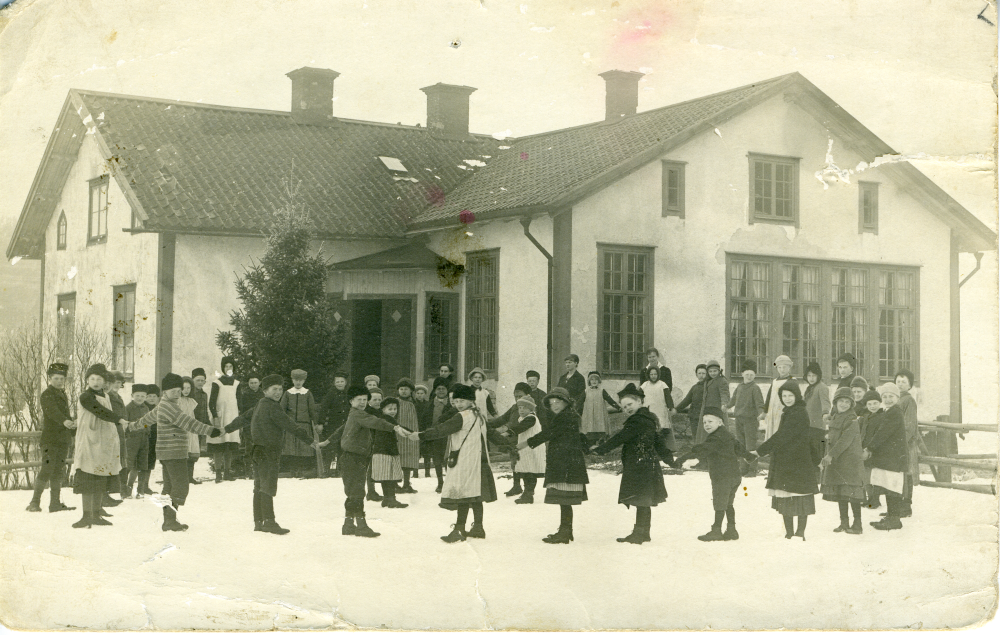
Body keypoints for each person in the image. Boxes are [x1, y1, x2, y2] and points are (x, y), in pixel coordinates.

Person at [126, 373, 224, 531]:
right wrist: (210, 430)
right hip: (173, 451)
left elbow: (148, 418)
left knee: (169, 486)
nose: (177, 394)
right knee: (180, 486)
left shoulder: (164, 404)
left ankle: (169, 520)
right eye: (174, 391)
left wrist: (132, 426)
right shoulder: (169, 407)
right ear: (165, 391)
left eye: (179, 391)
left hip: (168, 452)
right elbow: (187, 422)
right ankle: (170, 520)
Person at [416, 384, 512, 543]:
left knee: (464, 495)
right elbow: (492, 434)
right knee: (476, 495)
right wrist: (508, 445)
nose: (458, 404)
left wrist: (421, 435)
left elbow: (442, 429)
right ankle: (478, 527)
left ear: (471, 401)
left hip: (466, 462)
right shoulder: (478, 415)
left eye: (462, 401)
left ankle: (459, 529)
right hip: (480, 461)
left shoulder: (461, 416)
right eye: (456, 401)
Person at [235, 373, 320, 534]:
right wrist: (310, 441)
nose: (278, 392)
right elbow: (290, 425)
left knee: (259, 486)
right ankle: (269, 521)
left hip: (257, 450)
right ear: (265, 391)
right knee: (267, 486)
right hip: (268, 451)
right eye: (274, 389)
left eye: (280, 389)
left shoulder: (261, 403)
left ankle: (259, 521)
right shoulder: (273, 406)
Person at [319, 385, 407, 538]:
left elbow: (342, 429)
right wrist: (394, 427)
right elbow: (375, 422)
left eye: (365, 400)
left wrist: (328, 440)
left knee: (353, 492)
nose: (362, 402)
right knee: (357, 492)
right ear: (351, 401)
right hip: (352, 457)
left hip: (356, 457)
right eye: (358, 400)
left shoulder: (356, 414)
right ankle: (361, 525)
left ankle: (348, 524)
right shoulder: (359, 415)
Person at [590, 383, 669, 544]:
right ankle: (643, 532)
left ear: (640, 401)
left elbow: (621, 437)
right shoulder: (648, 418)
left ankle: (639, 533)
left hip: (640, 464)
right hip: (647, 463)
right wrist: (669, 458)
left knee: (641, 499)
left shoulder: (638, 420)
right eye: (624, 407)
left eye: (630, 404)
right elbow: (658, 442)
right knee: (643, 500)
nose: (627, 409)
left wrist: (601, 449)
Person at [752, 380, 823, 541]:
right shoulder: (789, 411)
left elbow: (782, 435)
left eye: (790, 395)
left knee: (799, 496)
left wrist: (760, 450)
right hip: (788, 460)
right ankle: (790, 533)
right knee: (787, 497)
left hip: (797, 462)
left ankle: (799, 532)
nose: (787, 398)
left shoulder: (798, 412)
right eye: (784, 395)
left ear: (797, 396)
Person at [518, 387, 589, 544]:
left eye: (558, 402)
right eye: (551, 403)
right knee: (564, 499)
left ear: (566, 402)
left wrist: (526, 443)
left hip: (566, 463)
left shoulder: (566, 417)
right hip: (566, 462)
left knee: (564, 498)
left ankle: (565, 532)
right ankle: (566, 530)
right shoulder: (568, 416)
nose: (554, 405)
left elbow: (549, 433)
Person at [678, 406, 754, 542]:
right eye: (704, 422)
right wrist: (748, 456)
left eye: (710, 421)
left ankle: (716, 530)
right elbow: (738, 447)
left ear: (720, 422)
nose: (706, 425)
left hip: (722, 476)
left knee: (720, 502)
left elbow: (703, 449)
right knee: (728, 503)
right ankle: (732, 530)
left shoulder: (715, 438)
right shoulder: (727, 435)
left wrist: (682, 459)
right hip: (734, 476)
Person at [71, 364, 131, 528]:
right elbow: (99, 411)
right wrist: (118, 419)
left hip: (103, 441)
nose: (95, 382)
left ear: (104, 381)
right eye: (92, 379)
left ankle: (96, 513)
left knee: (100, 476)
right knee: (88, 476)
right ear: (87, 380)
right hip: (89, 441)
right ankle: (86, 515)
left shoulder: (105, 395)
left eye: (99, 379)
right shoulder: (86, 397)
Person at [26, 362, 76, 513]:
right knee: (47, 469)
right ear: (50, 378)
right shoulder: (46, 394)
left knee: (58, 471)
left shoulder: (63, 394)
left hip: (62, 440)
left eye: (62, 379)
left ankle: (55, 504)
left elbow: (66, 415)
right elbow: (52, 411)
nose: (59, 381)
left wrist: (72, 429)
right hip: (50, 440)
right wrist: (65, 421)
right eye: (56, 378)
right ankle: (34, 503)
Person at [820, 387, 865, 535]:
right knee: (841, 493)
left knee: (853, 493)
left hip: (849, 462)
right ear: (835, 402)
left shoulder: (851, 418)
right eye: (841, 401)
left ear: (851, 404)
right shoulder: (835, 417)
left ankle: (857, 525)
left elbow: (845, 440)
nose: (844, 404)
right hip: (838, 462)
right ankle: (844, 523)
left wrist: (831, 455)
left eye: (847, 402)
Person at [866, 383, 908, 531]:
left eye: (891, 396)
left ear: (897, 397)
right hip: (889, 457)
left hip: (894, 458)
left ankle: (894, 520)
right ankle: (891, 516)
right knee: (889, 486)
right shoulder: (889, 411)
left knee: (892, 487)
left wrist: (870, 447)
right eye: (885, 396)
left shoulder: (895, 412)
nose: (888, 399)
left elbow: (883, 432)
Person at [488, 383, 531, 497]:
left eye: (520, 396)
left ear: (527, 395)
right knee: (515, 463)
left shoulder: (530, 409)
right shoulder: (514, 408)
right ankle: (516, 486)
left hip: (525, 441)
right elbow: (501, 419)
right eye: (515, 396)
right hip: (513, 440)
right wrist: (486, 424)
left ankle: (528, 491)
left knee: (526, 466)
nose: (517, 399)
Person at [895, 370, 927, 518]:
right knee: (898, 474)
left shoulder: (908, 401)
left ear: (909, 386)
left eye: (904, 382)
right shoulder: (895, 399)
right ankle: (897, 505)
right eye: (898, 381)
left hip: (905, 444)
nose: (900, 384)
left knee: (906, 474)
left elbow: (909, 425)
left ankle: (906, 506)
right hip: (896, 443)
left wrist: (901, 442)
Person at [727, 360, 765, 476]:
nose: (749, 377)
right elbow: (733, 400)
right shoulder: (739, 387)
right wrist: (726, 406)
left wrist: (761, 413)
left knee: (750, 445)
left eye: (752, 375)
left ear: (755, 376)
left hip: (750, 420)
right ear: (742, 374)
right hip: (739, 419)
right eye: (747, 374)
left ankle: (752, 469)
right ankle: (743, 468)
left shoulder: (755, 388)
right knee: (741, 445)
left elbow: (760, 403)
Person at [279, 369, 318, 478]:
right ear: (292, 380)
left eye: (300, 380)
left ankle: (302, 469)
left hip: (304, 424)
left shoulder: (307, 393)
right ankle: (292, 469)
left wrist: (315, 423)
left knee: (303, 447)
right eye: (296, 380)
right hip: (291, 425)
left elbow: (312, 409)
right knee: (291, 448)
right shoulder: (287, 393)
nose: (298, 382)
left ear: (304, 380)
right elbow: (282, 409)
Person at [508, 394, 546, 504]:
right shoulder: (523, 418)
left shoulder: (531, 418)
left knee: (530, 471)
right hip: (526, 449)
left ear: (530, 409)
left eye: (524, 407)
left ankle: (529, 494)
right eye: (519, 407)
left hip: (533, 449)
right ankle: (527, 492)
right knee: (525, 470)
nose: (521, 410)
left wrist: (509, 432)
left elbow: (521, 427)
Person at [208, 356, 241, 482]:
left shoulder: (237, 384)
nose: (228, 368)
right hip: (220, 417)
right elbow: (211, 402)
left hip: (232, 417)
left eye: (230, 366)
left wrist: (239, 418)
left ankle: (227, 472)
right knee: (218, 446)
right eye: (226, 366)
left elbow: (239, 402)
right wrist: (215, 416)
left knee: (229, 445)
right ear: (223, 368)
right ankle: (218, 473)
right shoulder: (217, 383)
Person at [371, 397, 408, 508]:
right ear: (383, 410)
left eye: (395, 409)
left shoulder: (382, 418)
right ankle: (391, 499)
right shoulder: (388, 419)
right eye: (390, 409)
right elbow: (400, 428)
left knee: (385, 476)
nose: (393, 411)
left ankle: (387, 499)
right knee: (390, 476)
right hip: (387, 451)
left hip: (381, 450)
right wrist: (413, 433)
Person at [424, 377, 456, 494]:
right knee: (437, 459)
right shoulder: (430, 404)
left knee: (448, 459)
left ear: (447, 390)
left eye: (443, 389)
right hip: (434, 436)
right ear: (435, 390)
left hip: (447, 436)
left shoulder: (452, 404)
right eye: (438, 389)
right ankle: (440, 482)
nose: (441, 391)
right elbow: (425, 419)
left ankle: (449, 481)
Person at [318, 372, 350, 476]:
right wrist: (321, 423)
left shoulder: (349, 394)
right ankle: (327, 469)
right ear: (334, 383)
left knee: (343, 447)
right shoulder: (331, 394)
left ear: (345, 382)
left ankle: (341, 470)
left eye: (342, 381)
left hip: (345, 425)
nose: (340, 383)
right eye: (337, 382)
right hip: (333, 424)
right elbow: (324, 408)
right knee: (331, 446)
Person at [123, 383, 151, 498]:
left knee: (143, 465)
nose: (140, 398)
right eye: (137, 395)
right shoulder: (128, 408)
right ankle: (126, 491)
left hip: (144, 440)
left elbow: (148, 422)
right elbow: (125, 424)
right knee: (129, 465)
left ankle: (141, 491)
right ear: (132, 395)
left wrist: (147, 432)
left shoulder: (146, 408)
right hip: (132, 440)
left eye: (143, 396)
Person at [105, 370, 128, 504]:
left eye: (119, 382)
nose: (117, 385)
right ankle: (109, 491)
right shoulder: (108, 397)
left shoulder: (118, 397)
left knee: (121, 459)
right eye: (114, 382)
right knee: (113, 459)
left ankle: (120, 489)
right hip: (112, 431)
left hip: (120, 431)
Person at [858, 389, 884, 510]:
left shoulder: (882, 416)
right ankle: (869, 498)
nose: (872, 406)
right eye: (869, 404)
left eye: (875, 403)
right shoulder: (866, 416)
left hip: (875, 450)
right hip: (864, 449)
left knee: (874, 477)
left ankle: (875, 499)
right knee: (865, 476)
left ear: (879, 403)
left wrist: (872, 448)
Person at [395, 378, 422, 492]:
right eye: (401, 389)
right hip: (398, 434)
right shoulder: (395, 402)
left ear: (411, 391)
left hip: (412, 433)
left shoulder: (415, 403)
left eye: (406, 389)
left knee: (409, 458)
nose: (404, 391)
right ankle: (395, 483)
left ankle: (407, 483)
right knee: (397, 458)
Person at [760, 355, 794, 441]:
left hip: (784, 411)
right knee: (772, 430)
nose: (782, 370)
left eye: (784, 367)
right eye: (780, 367)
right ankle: (771, 451)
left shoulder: (792, 381)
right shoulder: (774, 381)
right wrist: (764, 412)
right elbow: (769, 397)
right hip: (773, 411)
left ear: (789, 368)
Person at [190, 368, 213, 484]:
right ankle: (186, 476)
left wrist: (208, 423)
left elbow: (205, 410)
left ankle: (190, 476)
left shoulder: (204, 394)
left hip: (200, 426)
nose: (200, 382)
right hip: (191, 426)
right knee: (188, 451)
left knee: (195, 452)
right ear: (192, 380)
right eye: (197, 380)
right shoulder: (190, 393)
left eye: (202, 380)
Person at [179, 378, 202, 492]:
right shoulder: (177, 401)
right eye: (184, 388)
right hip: (182, 428)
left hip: (191, 429)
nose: (186, 390)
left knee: (191, 452)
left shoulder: (191, 401)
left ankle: (190, 476)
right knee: (183, 452)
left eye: (188, 388)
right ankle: (182, 478)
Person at [675, 364, 708, 440]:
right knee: (696, 437)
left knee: (705, 438)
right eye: (699, 373)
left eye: (703, 373)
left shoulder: (709, 386)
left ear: (707, 374)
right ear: (696, 374)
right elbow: (687, 400)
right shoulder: (694, 387)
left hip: (705, 416)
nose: (701, 376)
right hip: (694, 417)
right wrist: (676, 409)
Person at [638, 367, 670, 437]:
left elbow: (668, 397)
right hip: (649, 410)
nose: (653, 376)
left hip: (660, 409)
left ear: (658, 374)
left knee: (661, 427)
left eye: (655, 374)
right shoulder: (645, 385)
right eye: (651, 374)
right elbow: (639, 397)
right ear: (648, 375)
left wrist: (671, 407)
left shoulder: (662, 384)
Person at [803, 362, 832, 431]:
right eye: (809, 376)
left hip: (817, 426)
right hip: (808, 423)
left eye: (814, 375)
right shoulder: (809, 388)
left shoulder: (822, 387)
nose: (811, 378)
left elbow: (825, 402)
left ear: (818, 376)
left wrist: (825, 413)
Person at [143, 385, 160, 492]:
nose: (151, 398)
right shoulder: (143, 407)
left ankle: (145, 485)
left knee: (150, 462)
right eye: (149, 396)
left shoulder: (158, 408)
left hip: (154, 439)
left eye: (154, 396)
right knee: (140, 462)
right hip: (144, 439)